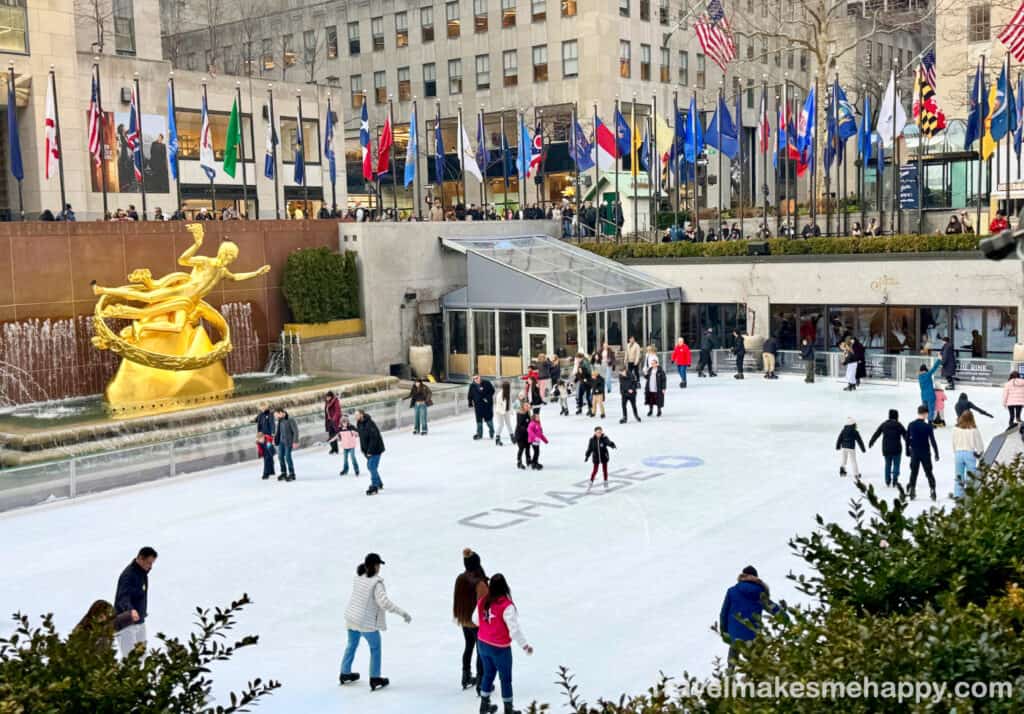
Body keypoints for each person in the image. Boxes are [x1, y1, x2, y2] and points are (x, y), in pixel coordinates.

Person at [339, 553, 411, 691]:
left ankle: (345, 673)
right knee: (375, 648)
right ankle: (375, 678)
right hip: (365, 623)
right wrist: (402, 613)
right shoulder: (376, 584)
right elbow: (384, 603)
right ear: (375, 566)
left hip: (351, 618)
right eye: (378, 565)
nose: (379, 568)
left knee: (351, 645)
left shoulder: (359, 577)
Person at [477, 573, 533, 714]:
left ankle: (484, 705)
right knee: (505, 678)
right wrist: (525, 646)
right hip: (499, 649)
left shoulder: (483, 600)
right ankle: (508, 709)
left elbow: (475, 620)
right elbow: (514, 630)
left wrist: (487, 628)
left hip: (482, 644)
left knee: (488, 674)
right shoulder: (506, 606)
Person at [719, 565, 781, 666]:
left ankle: (729, 674)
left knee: (732, 657)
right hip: (753, 634)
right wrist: (785, 618)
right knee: (757, 662)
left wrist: (724, 631)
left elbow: (724, 613)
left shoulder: (732, 591)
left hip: (734, 634)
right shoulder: (759, 591)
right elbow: (771, 607)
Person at [453, 549, 489, 692]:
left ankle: (466, 676)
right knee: (481, 651)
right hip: (476, 623)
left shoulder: (460, 578)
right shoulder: (480, 584)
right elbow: (484, 605)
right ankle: (481, 682)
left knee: (468, 646)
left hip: (464, 620)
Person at [114, 546, 157, 657]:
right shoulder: (128, 575)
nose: (150, 566)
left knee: (142, 657)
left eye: (152, 563)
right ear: (140, 558)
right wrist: (131, 610)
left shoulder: (142, 572)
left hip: (140, 622)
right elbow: (122, 597)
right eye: (149, 563)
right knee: (130, 658)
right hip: (126, 623)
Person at [907, 404, 940, 501]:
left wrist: (907, 451)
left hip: (915, 452)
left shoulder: (911, 425)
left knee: (914, 472)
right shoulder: (928, 426)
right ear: (926, 414)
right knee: (929, 472)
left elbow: (907, 439)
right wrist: (936, 453)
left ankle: (912, 490)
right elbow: (933, 441)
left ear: (918, 413)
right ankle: (933, 490)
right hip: (925, 452)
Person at [869, 409, 908, 487]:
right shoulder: (899, 425)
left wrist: (871, 442)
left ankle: (887, 481)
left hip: (886, 449)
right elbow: (905, 436)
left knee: (888, 464)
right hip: (897, 449)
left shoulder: (884, 424)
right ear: (897, 416)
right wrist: (910, 444)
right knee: (896, 464)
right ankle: (895, 479)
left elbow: (877, 433)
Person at [952, 410, 985, 499]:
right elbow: (979, 444)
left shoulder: (956, 429)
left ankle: (958, 495)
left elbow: (953, 442)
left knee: (959, 476)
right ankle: (969, 496)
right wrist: (980, 453)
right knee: (971, 477)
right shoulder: (974, 430)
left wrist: (955, 451)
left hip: (958, 453)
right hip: (969, 454)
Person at [356, 409, 385, 495]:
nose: (355, 416)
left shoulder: (370, 423)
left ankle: (374, 486)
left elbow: (374, 438)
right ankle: (379, 483)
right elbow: (362, 437)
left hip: (375, 449)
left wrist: (370, 451)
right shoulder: (359, 423)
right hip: (367, 450)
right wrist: (364, 450)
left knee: (371, 466)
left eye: (357, 414)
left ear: (362, 414)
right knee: (370, 467)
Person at [469, 375, 496, 440]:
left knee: (489, 420)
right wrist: (470, 402)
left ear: (479, 377)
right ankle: (479, 434)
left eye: (477, 378)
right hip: (478, 405)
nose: (476, 379)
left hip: (487, 405)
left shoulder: (487, 383)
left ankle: (491, 431)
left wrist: (487, 398)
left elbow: (492, 391)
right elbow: (470, 394)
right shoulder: (472, 386)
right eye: (474, 378)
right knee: (479, 421)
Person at [273, 408, 298, 481]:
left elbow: (295, 431)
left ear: (281, 413)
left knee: (287, 457)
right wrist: (275, 440)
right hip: (281, 442)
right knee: (280, 457)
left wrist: (295, 441)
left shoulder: (290, 419)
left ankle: (292, 474)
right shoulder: (280, 421)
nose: (275, 417)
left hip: (288, 442)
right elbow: (278, 432)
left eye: (276, 415)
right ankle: (283, 472)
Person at [254, 402, 275, 479]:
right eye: (261, 407)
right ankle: (271, 470)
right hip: (261, 437)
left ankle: (266, 473)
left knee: (267, 455)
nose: (262, 408)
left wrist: (273, 432)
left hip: (268, 437)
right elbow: (257, 420)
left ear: (267, 406)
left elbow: (272, 424)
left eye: (264, 406)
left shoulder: (270, 414)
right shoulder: (260, 415)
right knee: (268, 454)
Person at [494, 381, 514, 446]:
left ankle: (512, 437)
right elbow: (498, 405)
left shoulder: (509, 393)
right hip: (499, 412)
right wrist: (503, 412)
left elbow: (510, 402)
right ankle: (497, 438)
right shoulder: (500, 395)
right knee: (501, 425)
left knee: (508, 424)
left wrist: (511, 410)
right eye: (509, 387)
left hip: (506, 411)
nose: (510, 388)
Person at [514, 403, 532, 469]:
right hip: (520, 435)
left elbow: (530, 422)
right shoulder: (520, 414)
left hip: (526, 434)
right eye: (526, 406)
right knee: (521, 448)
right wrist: (528, 428)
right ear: (523, 406)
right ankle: (519, 462)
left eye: (528, 405)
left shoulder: (528, 413)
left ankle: (528, 460)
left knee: (528, 447)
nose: (528, 406)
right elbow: (520, 425)